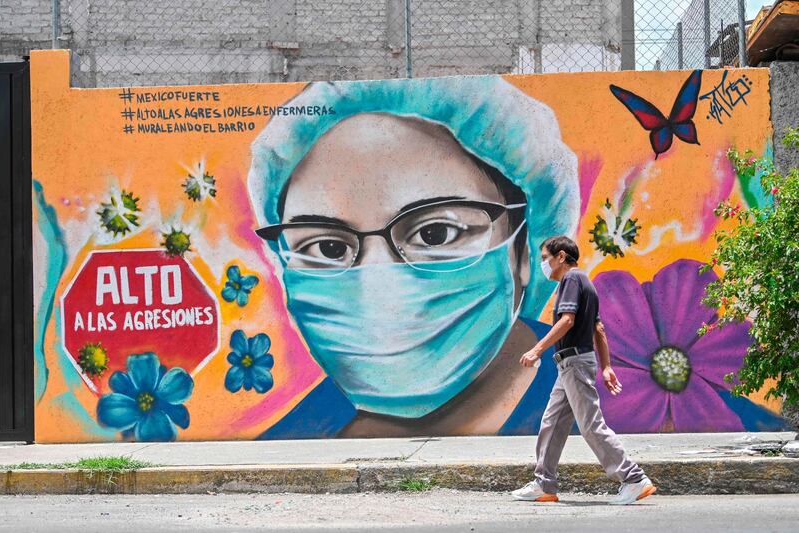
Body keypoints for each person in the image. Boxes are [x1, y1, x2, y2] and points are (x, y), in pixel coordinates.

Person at [247, 76, 580, 438]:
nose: (377, 289)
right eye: (328, 248)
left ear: (523, 253)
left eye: (435, 233)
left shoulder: (591, 401)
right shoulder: (299, 432)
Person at [512, 236, 657, 505]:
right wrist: (607, 367)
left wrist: (536, 350)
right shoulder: (586, 283)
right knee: (552, 423)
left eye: (546, 258)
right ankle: (544, 484)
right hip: (570, 364)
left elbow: (568, 320)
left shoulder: (571, 280)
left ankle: (634, 478)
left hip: (575, 363)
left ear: (562, 257)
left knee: (591, 425)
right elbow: (598, 328)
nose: (544, 264)